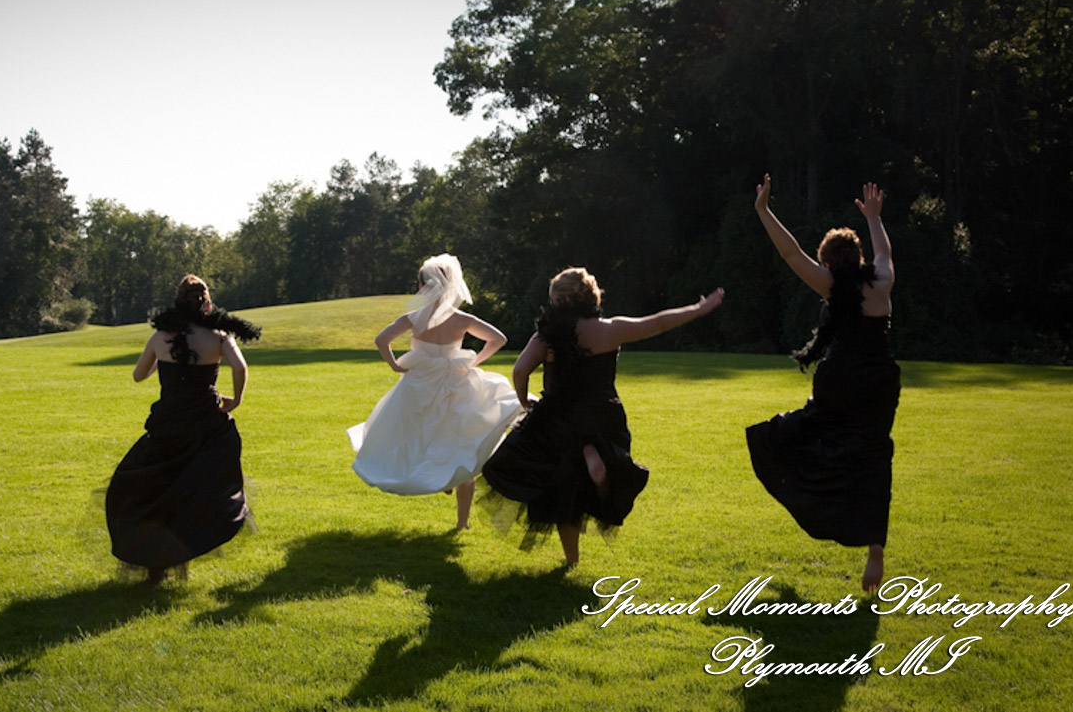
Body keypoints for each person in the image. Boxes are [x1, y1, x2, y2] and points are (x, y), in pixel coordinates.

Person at [481, 268, 723, 566]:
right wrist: (698, 309)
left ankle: (572, 559)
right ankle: (593, 455)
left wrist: (524, 402)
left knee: (560, 491)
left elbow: (520, 371)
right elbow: (657, 323)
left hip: (559, 420)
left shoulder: (547, 337)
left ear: (563, 299)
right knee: (578, 476)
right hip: (602, 415)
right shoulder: (611, 328)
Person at [746, 174, 899, 592]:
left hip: (841, 377)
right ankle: (875, 547)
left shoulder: (830, 285)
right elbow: (884, 250)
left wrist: (763, 210)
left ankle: (815, 501)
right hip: (881, 379)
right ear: (860, 259)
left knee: (794, 437)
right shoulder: (882, 281)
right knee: (872, 455)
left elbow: (790, 252)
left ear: (829, 264)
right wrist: (873, 217)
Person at [348, 254, 524, 529]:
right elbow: (498, 339)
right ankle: (462, 522)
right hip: (457, 383)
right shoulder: (461, 318)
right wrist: (474, 361)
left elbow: (381, 339)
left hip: (419, 386)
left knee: (418, 437)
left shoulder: (413, 318)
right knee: (461, 445)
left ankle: (440, 481)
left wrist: (395, 365)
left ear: (422, 286)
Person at [105, 274, 261, 583]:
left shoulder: (162, 336)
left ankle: (155, 559)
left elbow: (138, 375)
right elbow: (241, 368)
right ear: (207, 301)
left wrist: (162, 362)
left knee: (156, 486)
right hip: (205, 421)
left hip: (169, 422)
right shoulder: (218, 335)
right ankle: (190, 540)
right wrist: (236, 401)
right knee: (199, 484)